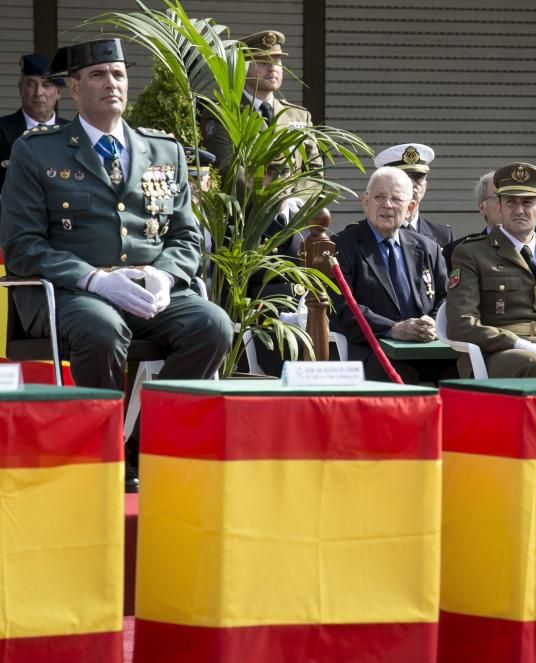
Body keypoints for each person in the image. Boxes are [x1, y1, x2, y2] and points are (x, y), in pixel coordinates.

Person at [0, 39, 232, 490]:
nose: (112, 84)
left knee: (213, 325)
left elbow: (187, 235)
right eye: (98, 75)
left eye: (119, 74)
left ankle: (144, 448)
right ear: (72, 87)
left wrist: (166, 274)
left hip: (152, 291)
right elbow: (22, 245)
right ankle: (102, 456)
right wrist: (94, 280)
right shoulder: (38, 152)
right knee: (102, 329)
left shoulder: (163, 151)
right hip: (70, 295)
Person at [447, 162, 536, 378]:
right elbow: (461, 324)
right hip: (498, 354)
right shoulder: (472, 253)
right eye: (511, 202)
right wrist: (523, 345)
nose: (519, 210)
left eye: (527, 202)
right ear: (500, 208)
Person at [331, 167, 447, 381]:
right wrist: (393, 329)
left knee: (460, 377)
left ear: (410, 207)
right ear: (365, 201)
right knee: (403, 376)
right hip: (372, 349)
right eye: (379, 197)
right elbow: (341, 307)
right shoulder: (342, 246)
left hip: (427, 349)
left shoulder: (427, 247)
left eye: (396, 199)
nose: (387, 205)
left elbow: (445, 296)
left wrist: (431, 323)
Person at [201, 30, 321, 186]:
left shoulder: (298, 116)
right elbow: (228, 170)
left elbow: (314, 170)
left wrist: (297, 201)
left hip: (296, 208)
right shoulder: (223, 113)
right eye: (263, 62)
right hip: (251, 208)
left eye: (277, 61)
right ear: (241, 68)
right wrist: (275, 202)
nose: (272, 68)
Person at [0, 54, 68, 192]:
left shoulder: (74, 132)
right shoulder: (1, 130)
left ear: (59, 92)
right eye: (31, 84)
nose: (38, 92)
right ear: (20, 88)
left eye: (46, 85)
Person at [374, 143, 454, 248]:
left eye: (418, 177)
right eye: (404, 177)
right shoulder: (366, 234)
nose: (412, 184)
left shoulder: (443, 235)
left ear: (425, 185)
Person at [443, 170, 501, 271]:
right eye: (498, 197)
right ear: (482, 207)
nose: (507, 204)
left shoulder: (534, 248)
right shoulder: (457, 251)